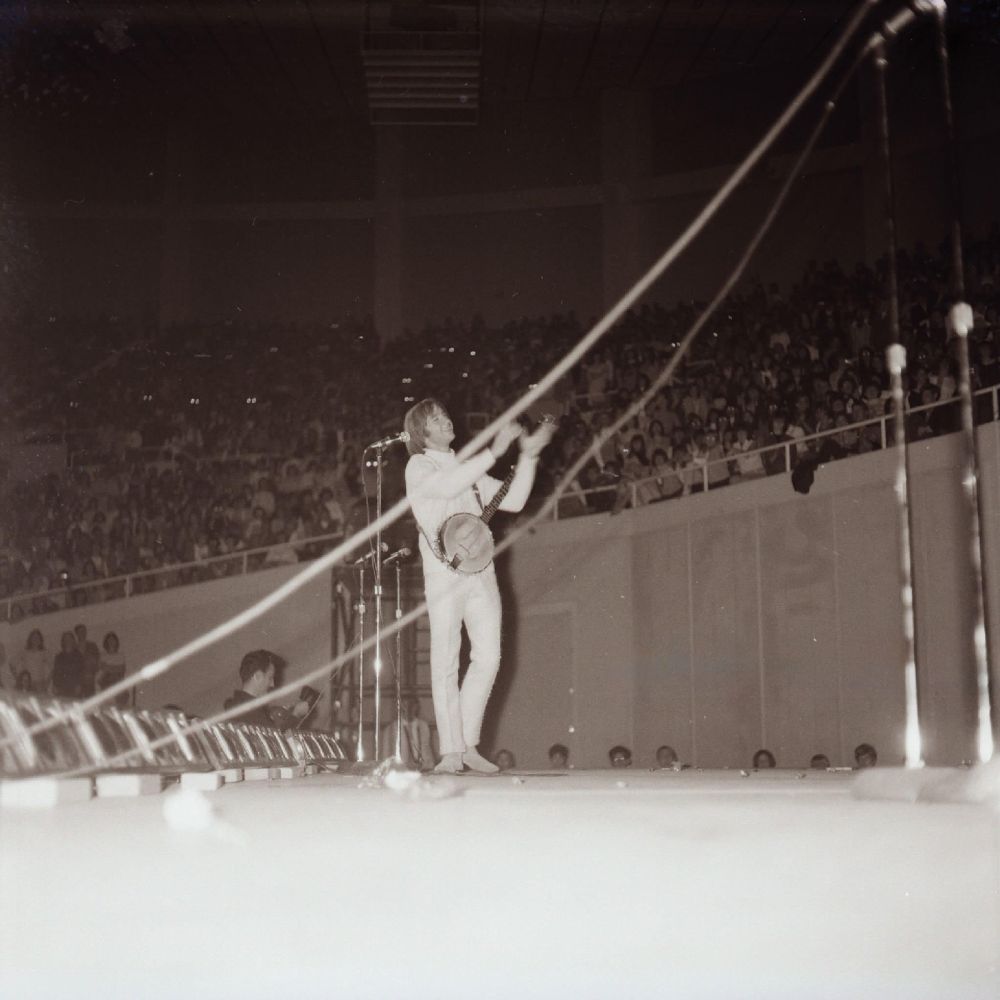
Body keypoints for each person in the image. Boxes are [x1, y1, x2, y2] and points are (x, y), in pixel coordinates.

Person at [403, 399, 551, 774]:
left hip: (480, 570)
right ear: (423, 434)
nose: (447, 420)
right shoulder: (419, 466)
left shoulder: (465, 468)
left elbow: (514, 500)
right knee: (446, 659)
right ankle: (450, 750)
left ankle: (467, 744)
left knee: (489, 656)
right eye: (437, 419)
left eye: (445, 414)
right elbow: (450, 484)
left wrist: (529, 457)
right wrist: (495, 451)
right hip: (444, 574)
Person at [223, 649, 310, 730]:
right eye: (270, 678)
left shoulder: (238, 706)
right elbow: (276, 742)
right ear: (258, 676)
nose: (272, 684)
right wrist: (296, 715)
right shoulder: (250, 712)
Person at [381, 697, 435, 771]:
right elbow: (385, 757)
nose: (409, 708)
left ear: (417, 706)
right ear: (400, 707)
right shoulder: (390, 729)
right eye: (405, 705)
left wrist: (430, 768)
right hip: (399, 773)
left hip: (423, 772)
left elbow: (428, 752)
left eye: (412, 705)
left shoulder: (424, 726)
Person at [95, 631, 128, 707]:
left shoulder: (120, 655)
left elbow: (122, 670)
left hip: (117, 680)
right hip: (105, 680)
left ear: (116, 642)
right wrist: (114, 668)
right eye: (109, 640)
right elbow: (102, 669)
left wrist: (108, 667)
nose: (111, 642)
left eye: (113, 640)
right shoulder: (102, 655)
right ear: (106, 642)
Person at [51, 630, 85, 698]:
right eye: (65, 639)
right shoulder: (58, 657)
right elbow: (56, 672)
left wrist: (80, 685)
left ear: (73, 641)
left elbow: (82, 671)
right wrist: (54, 685)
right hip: (61, 688)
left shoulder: (79, 655)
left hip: (75, 688)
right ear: (63, 641)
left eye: (70, 638)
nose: (68, 641)